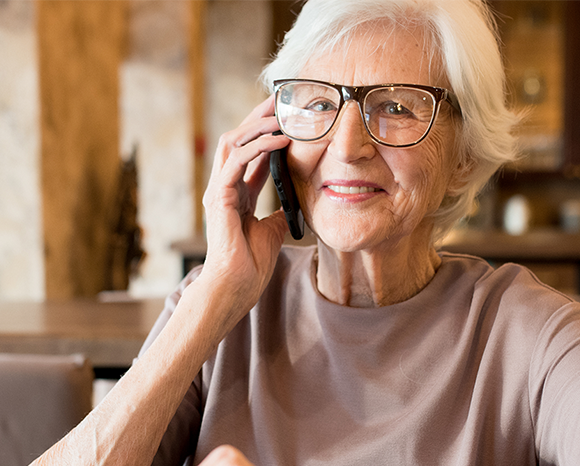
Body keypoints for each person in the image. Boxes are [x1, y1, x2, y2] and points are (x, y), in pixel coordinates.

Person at [32, 0, 580, 464]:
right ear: (272, 133)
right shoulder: (217, 309)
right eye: (318, 102)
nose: (346, 147)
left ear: (463, 156)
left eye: (394, 106)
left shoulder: (530, 336)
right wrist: (213, 299)